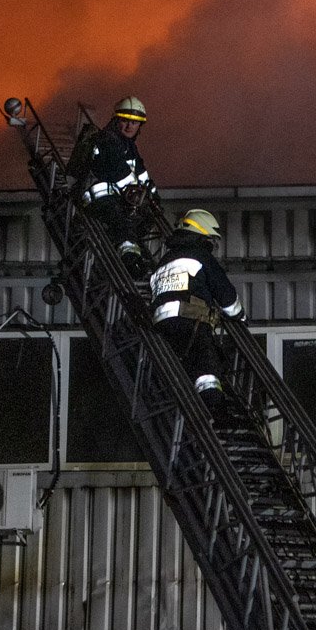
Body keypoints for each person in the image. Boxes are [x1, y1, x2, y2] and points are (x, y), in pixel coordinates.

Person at [149, 209, 245, 416]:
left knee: (186, 364)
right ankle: (215, 406)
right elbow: (225, 294)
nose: (212, 245)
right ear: (202, 236)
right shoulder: (200, 255)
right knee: (206, 361)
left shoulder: (163, 262)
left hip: (161, 326)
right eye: (211, 239)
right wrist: (239, 316)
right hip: (189, 319)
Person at [67, 96, 157, 276]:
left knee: (147, 218)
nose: (129, 126)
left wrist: (153, 195)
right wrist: (141, 195)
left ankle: (131, 252)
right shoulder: (107, 141)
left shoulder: (129, 146)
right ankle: (130, 262)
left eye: (135, 123)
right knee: (121, 222)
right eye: (125, 121)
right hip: (97, 199)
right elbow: (121, 173)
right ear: (116, 120)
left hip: (119, 198)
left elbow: (140, 173)